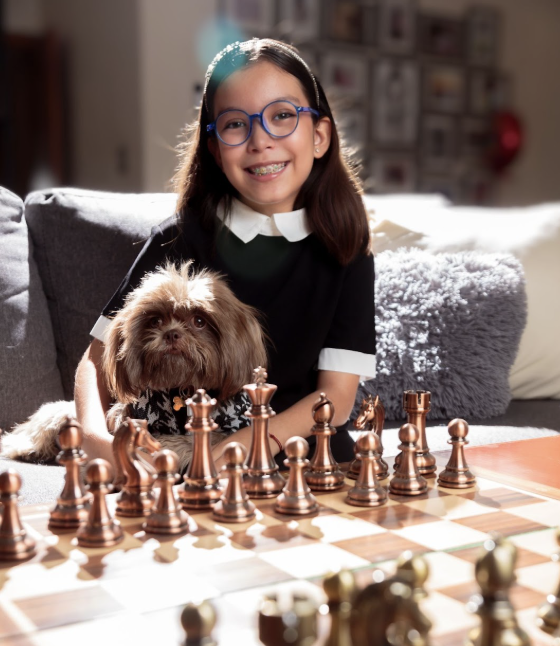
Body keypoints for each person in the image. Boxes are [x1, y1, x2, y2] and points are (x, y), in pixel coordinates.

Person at [75, 38, 376, 467]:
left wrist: (246, 445)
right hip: (184, 447)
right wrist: (94, 439)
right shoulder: (176, 238)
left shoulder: (347, 249)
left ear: (320, 136)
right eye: (236, 124)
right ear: (215, 149)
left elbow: (337, 397)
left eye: (282, 115)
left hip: (302, 454)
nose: (261, 141)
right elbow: (96, 359)